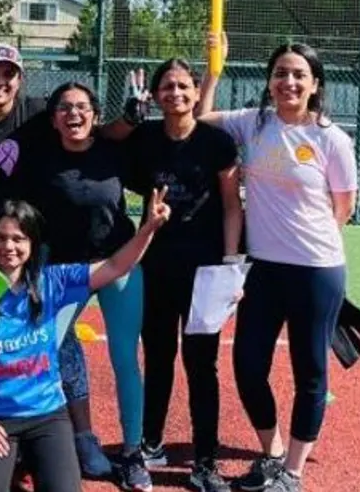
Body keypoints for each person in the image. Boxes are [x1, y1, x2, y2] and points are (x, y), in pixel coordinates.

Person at [0, 82, 152, 489]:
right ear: (53, 119)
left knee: (124, 358)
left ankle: (133, 452)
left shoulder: (114, 153)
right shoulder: (39, 158)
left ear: (96, 115)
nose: (73, 114)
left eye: (82, 107)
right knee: (49, 348)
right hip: (61, 275)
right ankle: (54, 440)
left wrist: (156, 222)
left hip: (115, 267)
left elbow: (159, 173)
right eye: (64, 107)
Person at [197, 42, 358, 492]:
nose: (289, 82)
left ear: (315, 85)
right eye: (281, 73)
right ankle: (271, 452)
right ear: (269, 81)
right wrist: (214, 73)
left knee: (311, 373)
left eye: (299, 75)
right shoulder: (253, 123)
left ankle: (293, 472)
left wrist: (310, 245)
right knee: (248, 365)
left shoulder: (331, 139)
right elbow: (199, 123)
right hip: (263, 269)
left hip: (315, 270)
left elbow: (343, 207)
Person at [0, 193, 170, 492]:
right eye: (0, 237)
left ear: (32, 244)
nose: (8, 247)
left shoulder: (52, 281)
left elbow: (116, 266)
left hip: (47, 416)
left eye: (18, 238)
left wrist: (148, 229)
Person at [121, 58, 243, 492]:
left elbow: (232, 204)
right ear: (155, 95)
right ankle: (151, 442)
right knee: (157, 357)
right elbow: (115, 161)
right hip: (156, 265)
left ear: (196, 91)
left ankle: (204, 460)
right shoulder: (145, 139)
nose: (175, 93)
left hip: (206, 269)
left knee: (201, 363)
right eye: (167, 87)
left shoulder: (217, 142)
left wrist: (230, 262)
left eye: (183, 86)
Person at [0, 43, 144, 239]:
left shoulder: (38, 113)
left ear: (20, 80)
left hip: (27, 232)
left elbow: (93, 131)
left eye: (9, 74)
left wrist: (129, 119)